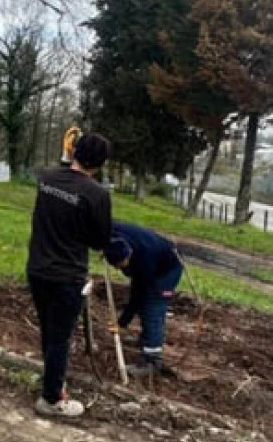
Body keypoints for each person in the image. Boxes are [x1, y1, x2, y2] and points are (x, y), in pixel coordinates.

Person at [26, 132, 113, 418]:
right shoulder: (97, 195)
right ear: (100, 163)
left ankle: (52, 380)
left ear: (74, 151)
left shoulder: (46, 179)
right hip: (67, 274)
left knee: (48, 330)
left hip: (38, 267)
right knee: (60, 336)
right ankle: (52, 398)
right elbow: (100, 240)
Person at [103, 221, 184, 377]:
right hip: (156, 256)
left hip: (169, 267)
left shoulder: (144, 259)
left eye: (122, 265)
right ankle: (148, 339)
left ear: (130, 253)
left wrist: (122, 322)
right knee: (147, 304)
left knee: (152, 307)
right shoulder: (109, 233)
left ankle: (152, 361)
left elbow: (137, 293)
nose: (120, 269)